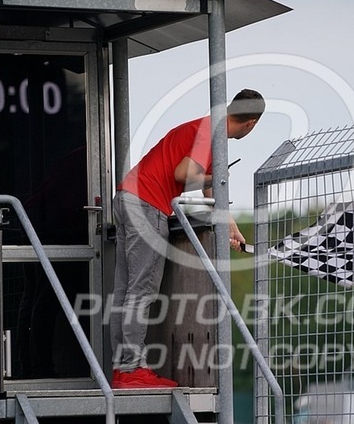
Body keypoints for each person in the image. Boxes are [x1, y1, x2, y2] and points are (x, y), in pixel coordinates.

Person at [110, 89, 266, 388]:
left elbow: (209, 192)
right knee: (141, 291)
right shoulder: (211, 134)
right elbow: (184, 173)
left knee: (126, 290)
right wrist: (215, 176)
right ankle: (132, 370)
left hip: (127, 197)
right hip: (147, 203)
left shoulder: (205, 127)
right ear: (251, 124)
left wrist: (230, 227)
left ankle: (122, 369)